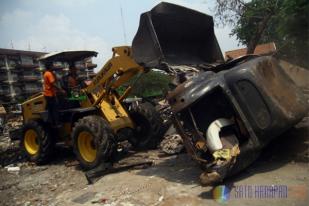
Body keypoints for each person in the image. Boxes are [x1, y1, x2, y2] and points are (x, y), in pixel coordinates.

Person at [43, 61, 64, 127]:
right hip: (50, 94)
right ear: (49, 66)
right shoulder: (49, 74)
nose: (53, 67)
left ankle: (52, 123)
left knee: (50, 110)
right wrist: (61, 90)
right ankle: (57, 123)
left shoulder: (47, 73)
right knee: (55, 108)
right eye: (52, 66)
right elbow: (53, 83)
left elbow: (55, 81)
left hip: (48, 94)